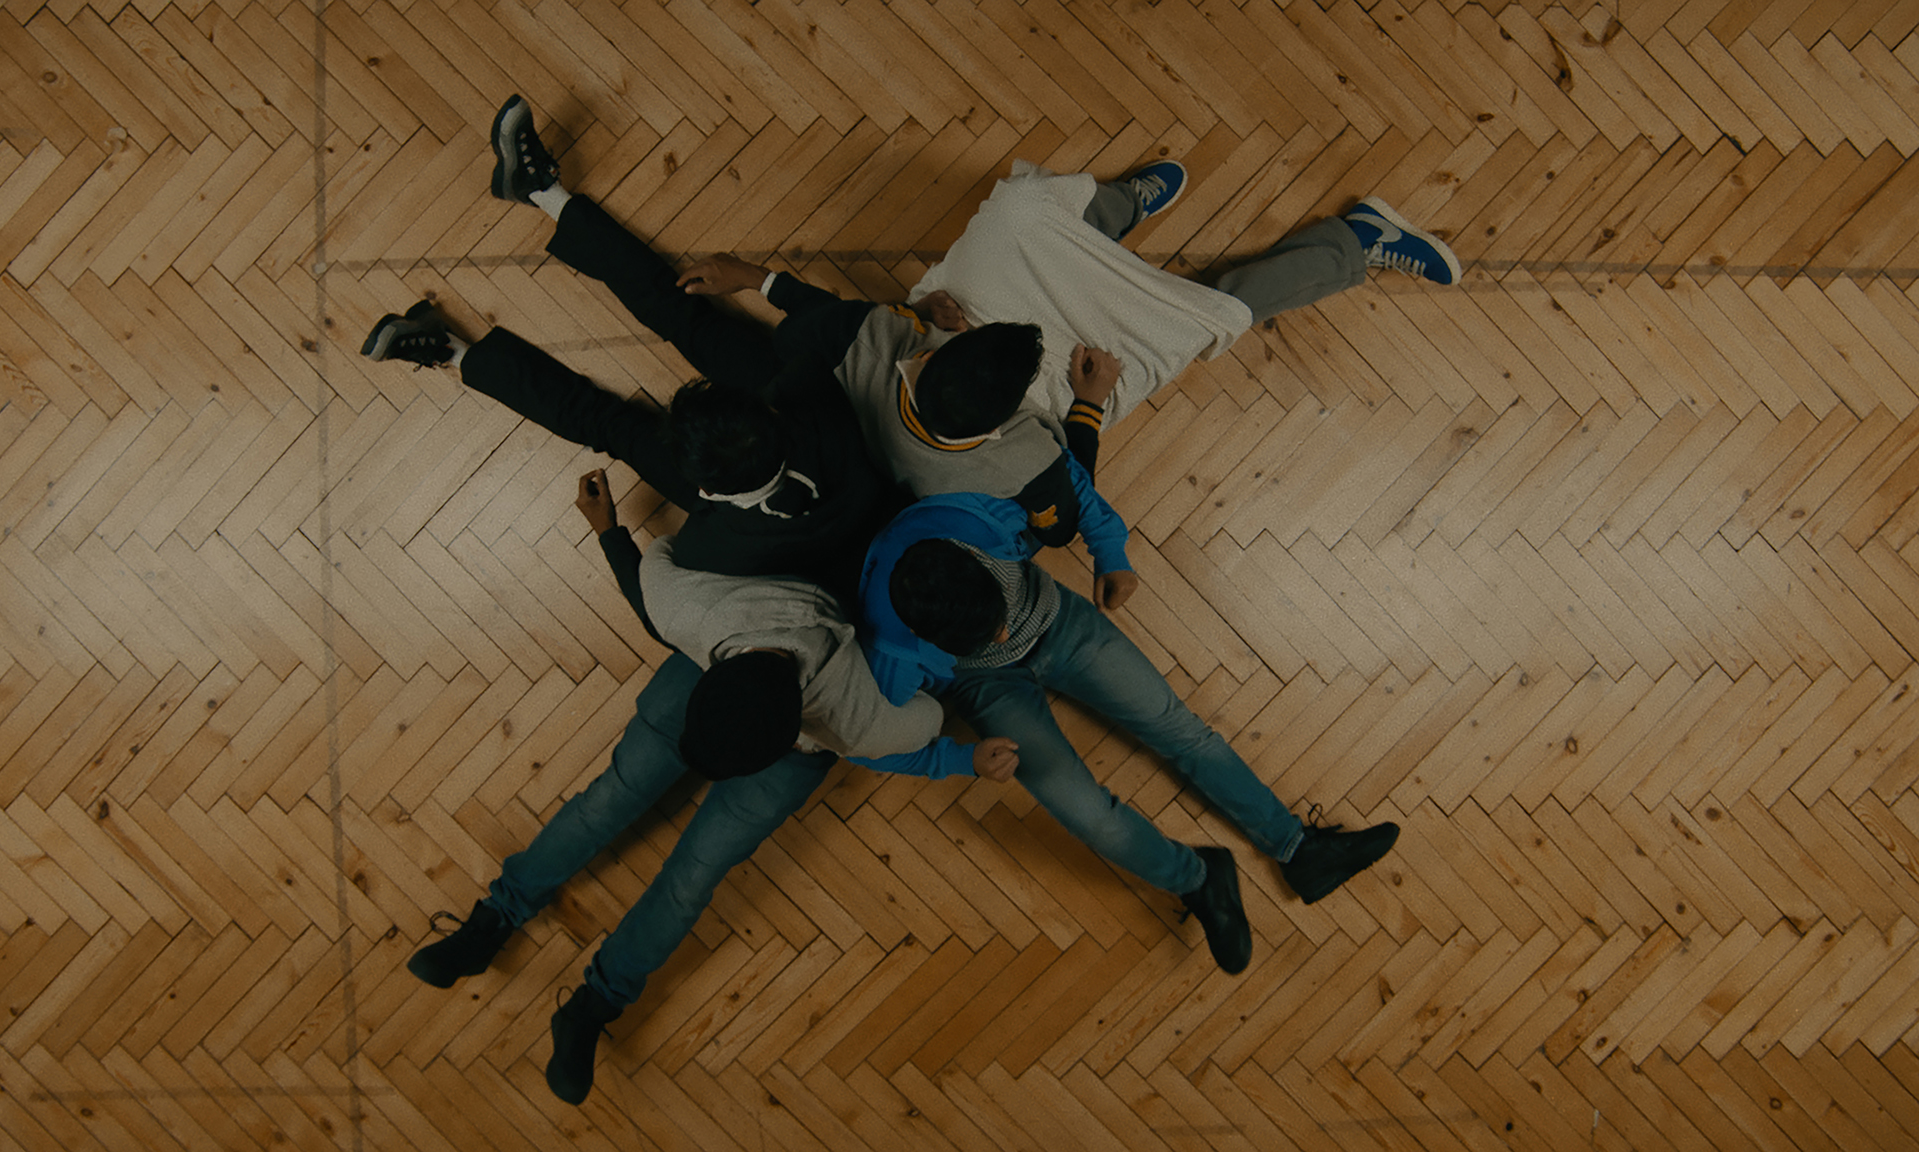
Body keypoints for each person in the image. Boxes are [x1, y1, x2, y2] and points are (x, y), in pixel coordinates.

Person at [406, 471, 1018, 1107]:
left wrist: (963, 760)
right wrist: (609, 532)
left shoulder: (844, 711)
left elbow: (917, 734)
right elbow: (924, 720)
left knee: (692, 877)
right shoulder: (709, 624)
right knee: (609, 803)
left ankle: (593, 1005)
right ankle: (494, 920)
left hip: (784, 734)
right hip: (716, 688)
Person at [359, 94, 908, 596]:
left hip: (794, 510)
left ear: (706, 495)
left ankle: (450, 351)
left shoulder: (720, 544)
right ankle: (540, 190)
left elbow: (664, 599)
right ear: (766, 408)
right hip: (823, 469)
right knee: (686, 319)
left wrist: (613, 538)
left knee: (607, 420)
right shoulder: (814, 394)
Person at [855, 485, 1400, 975]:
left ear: (981, 561)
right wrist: (960, 760)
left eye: (997, 618)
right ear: (927, 644)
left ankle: (1299, 849)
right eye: (985, 635)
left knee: (1179, 728)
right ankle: (1198, 878)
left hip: (1059, 622)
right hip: (988, 687)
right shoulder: (891, 651)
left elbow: (1064, 478)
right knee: (1086, 815)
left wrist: (1110, 552)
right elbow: (866, 747)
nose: (1002, 635)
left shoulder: (979, 521)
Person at [908, 160, 1464, 427]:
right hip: (1044, 389)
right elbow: (1065, 477)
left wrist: (915, 312)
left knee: (1018, 210)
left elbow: (870, 332)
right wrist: (1090, 405)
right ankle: (1355, 242)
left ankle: (1119, 207)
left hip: (952, 334)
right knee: (1196, 322)